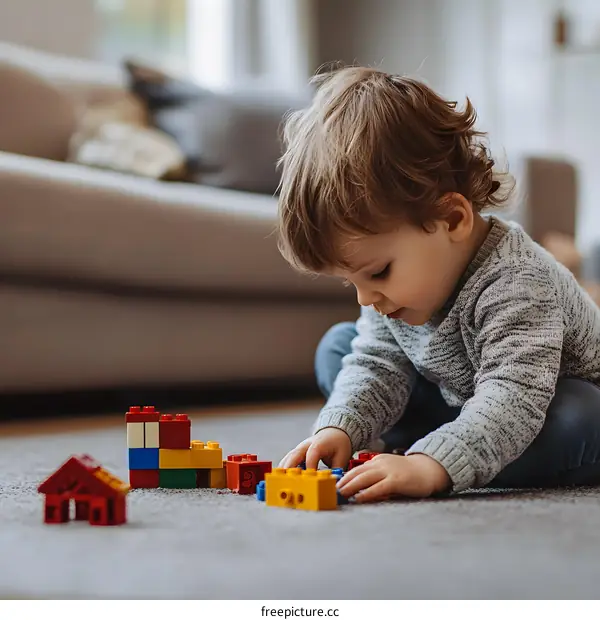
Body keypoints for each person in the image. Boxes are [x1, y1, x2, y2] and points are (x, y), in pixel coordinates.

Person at [274, 65, 600, 503]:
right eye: (350, 282)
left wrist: (432, 467)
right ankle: (445, 447)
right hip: (462, 401)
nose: (367, 297)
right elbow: (377, 362)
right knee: (339, 347)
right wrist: (341, 426)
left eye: (377, 273)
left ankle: (438, 455)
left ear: (452, 219)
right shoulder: (397, 290)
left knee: (581, 416)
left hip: (537, 404)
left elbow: (514, 394)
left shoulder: (517, 279)